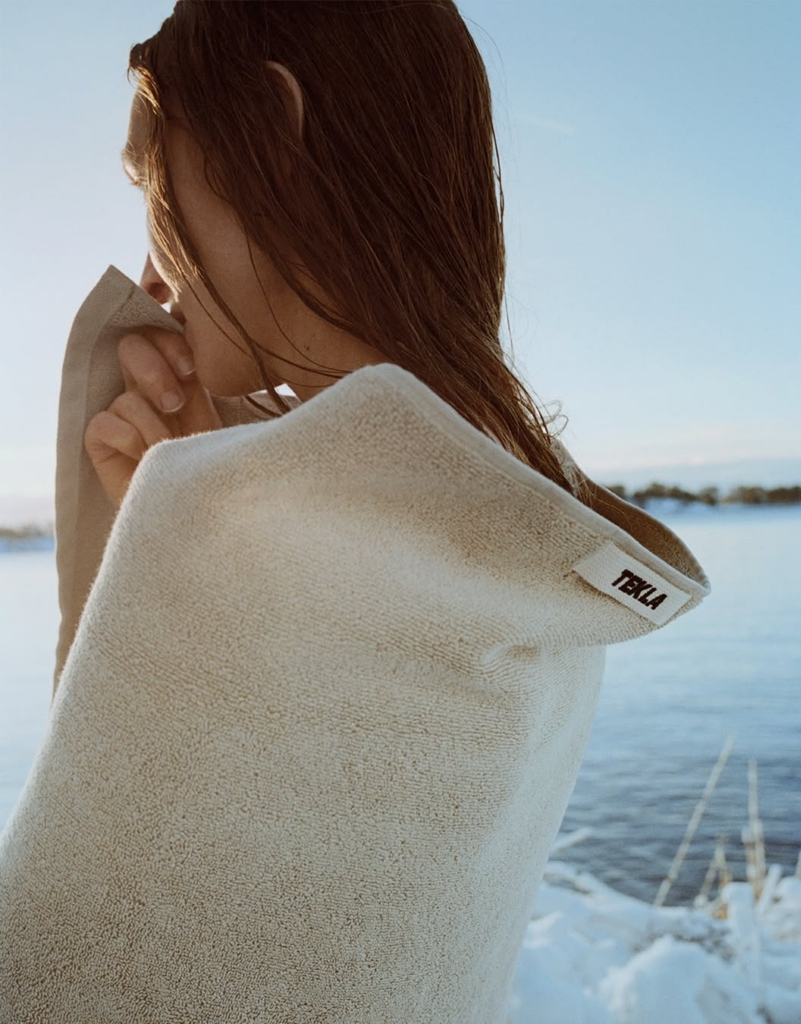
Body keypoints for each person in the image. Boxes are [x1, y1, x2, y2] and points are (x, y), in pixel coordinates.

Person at [0, 3, 710, 1022]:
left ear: (268, 136)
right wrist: (187, 497)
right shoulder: (539, 547)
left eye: (154, 180)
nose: (152, 265)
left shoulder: (276, 550)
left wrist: (203, 524)